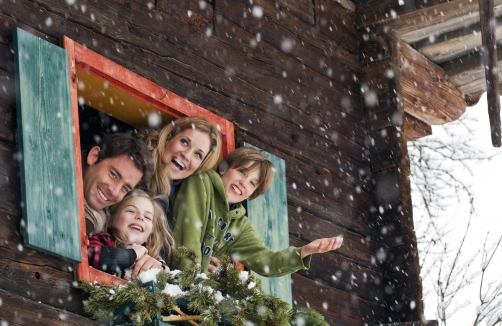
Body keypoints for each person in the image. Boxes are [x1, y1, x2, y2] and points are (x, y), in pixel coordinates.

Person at [168, 147, 344, 277]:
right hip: (165, 275)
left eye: (253, 183)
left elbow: (266, 261)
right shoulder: (201, 182)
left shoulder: (239, 224)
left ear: (253, 193)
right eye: (242, 172)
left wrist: (304, 251)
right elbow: (187, 236)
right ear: (223, 168)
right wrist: (196, 275)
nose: (244, 183)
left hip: (193, 291)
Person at [87, 189, 174, 279]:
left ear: (150, 235)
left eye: (147, 217)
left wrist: (163, 270)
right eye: (131, 211)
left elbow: (168, 279)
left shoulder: (151, 259)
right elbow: (89, 256)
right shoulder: (104, 240)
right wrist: (132, 255)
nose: (140, 217)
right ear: (110, 220)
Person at [83, 132, 153, 237]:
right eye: (113, 175)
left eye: (125, 188)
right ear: (94, 156)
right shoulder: (54, 177)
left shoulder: (99, 224)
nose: (114, 192)